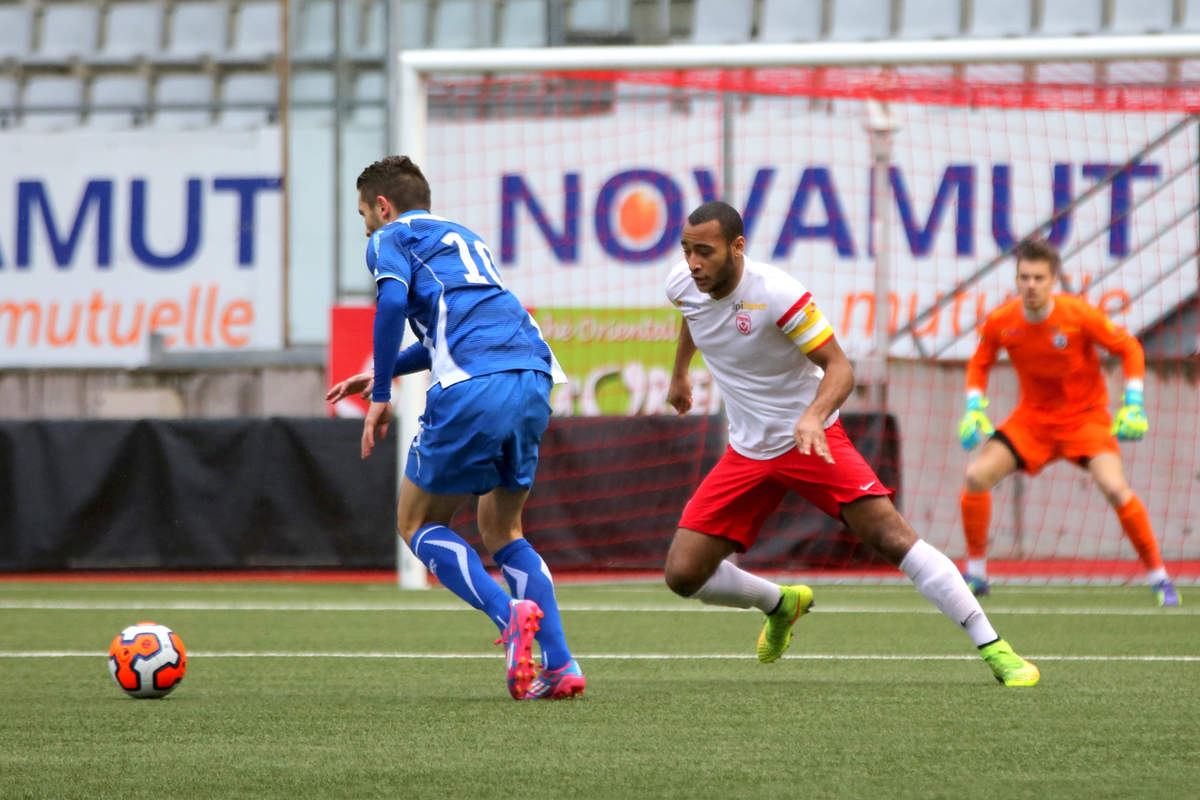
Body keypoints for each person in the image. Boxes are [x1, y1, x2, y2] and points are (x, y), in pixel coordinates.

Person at [664, 200, 1039, 686]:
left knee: (892, 537)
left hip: (811, 441)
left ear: (737, 248)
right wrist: (679, 374)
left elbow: (841, 368)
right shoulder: (683, 281)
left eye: (705, 252)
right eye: (687, 250)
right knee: (683, 575)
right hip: (747, 452)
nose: (693, 263)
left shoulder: (777, 294)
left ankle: (996, 649)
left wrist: (814, 417)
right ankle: (781, 604)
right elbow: (691, 316)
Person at [325, 155, 585, 699]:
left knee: (416, 521)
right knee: (503, 529)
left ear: (382, 204)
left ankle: (507, 615)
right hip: (535, 374)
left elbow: (393, 300)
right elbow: (442, 334)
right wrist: (380, 370)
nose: (366, 227)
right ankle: (561, 665)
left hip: (473, 386)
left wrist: (379, 396)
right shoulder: (463, 238)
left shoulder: (388, 238)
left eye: (364, 215)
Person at [957, 238, 1179, 607]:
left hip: (1086, 420)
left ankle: (1160, 578)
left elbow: (1130, 348)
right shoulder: (1001, 321)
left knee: (1114, 487)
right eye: (1024, 277)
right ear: (1016, 278)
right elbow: (979, 362)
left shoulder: (1079, 315)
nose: (1030, 285)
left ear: (1053, 279)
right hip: (1032, 421)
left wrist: (1134, 402)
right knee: (975, 476)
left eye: (1038, 278)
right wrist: (973, 407)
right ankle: (977, 574)